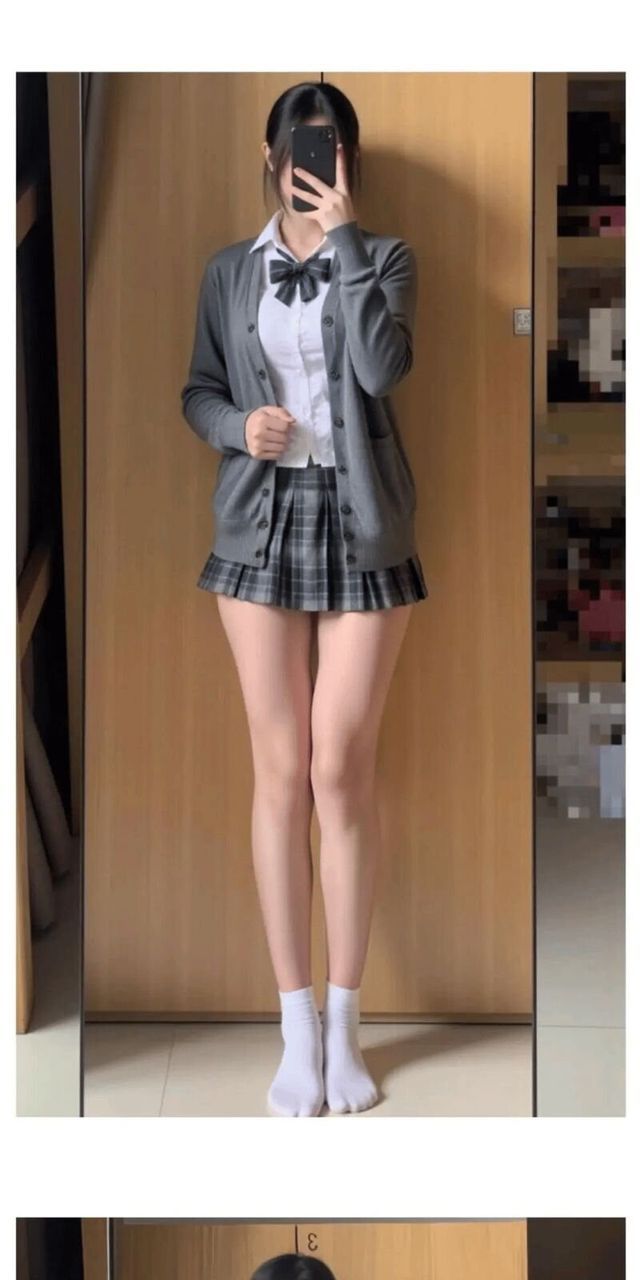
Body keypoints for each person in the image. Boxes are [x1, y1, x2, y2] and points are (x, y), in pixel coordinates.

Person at [181, 80, 428, 1116]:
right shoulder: (227, 270)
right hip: (258, 521)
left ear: (348, 162)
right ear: (270, 157)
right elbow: (197, 389)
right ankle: (294, 1026)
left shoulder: (388, 257)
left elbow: (381, 367)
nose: (313, 164)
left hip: (363, 522)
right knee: (280, 770)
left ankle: (345, 1021)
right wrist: (240, 428)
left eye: (331, 150)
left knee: (340, 766)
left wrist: (348, 241)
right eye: (299, 148)